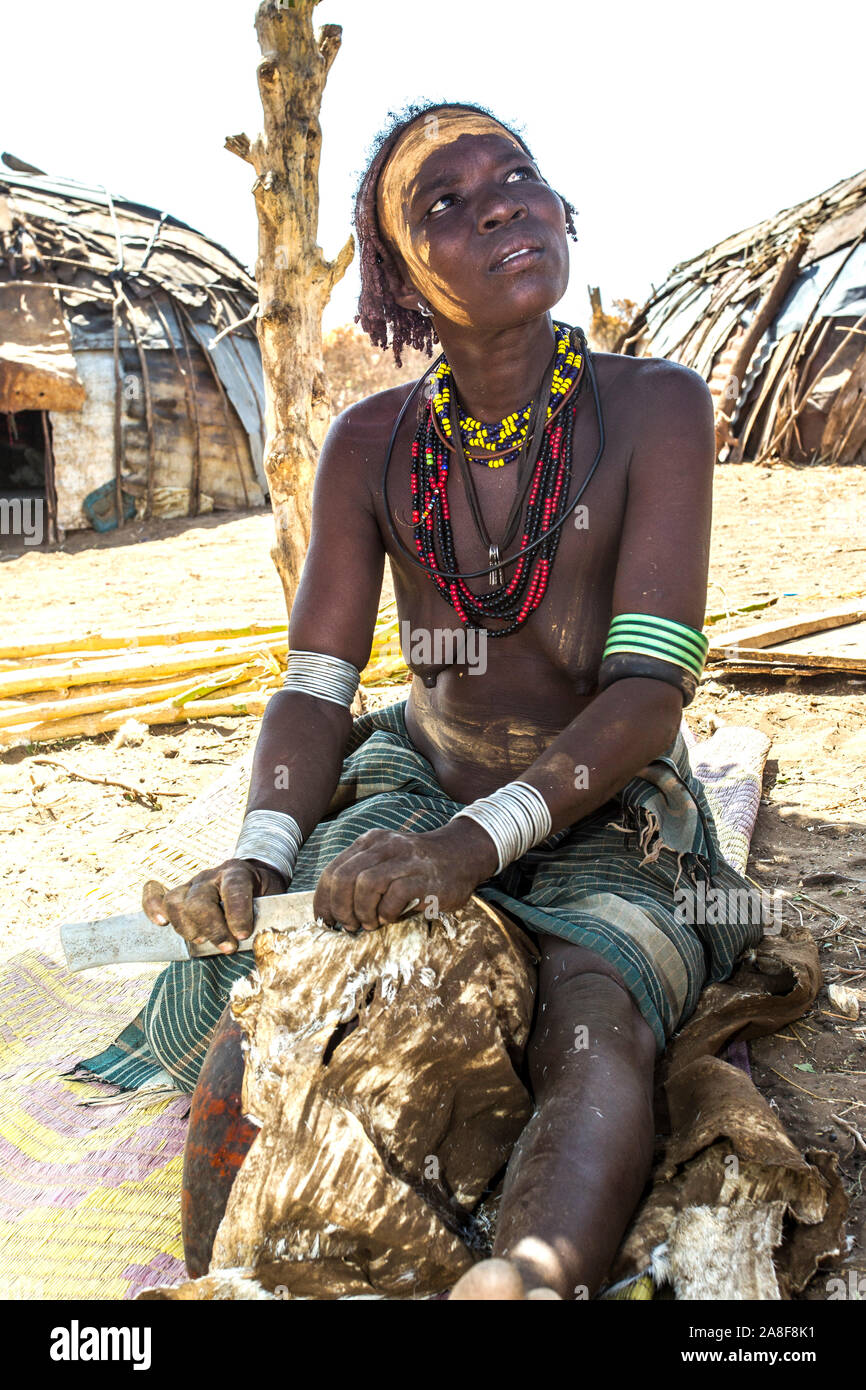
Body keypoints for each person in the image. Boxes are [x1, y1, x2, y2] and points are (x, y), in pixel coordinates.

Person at [80, 101, 763, 1300]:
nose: (500, 203)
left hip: (605, 795)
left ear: (557, 208)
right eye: (444, 203)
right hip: (421, 774)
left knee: (595, 1012)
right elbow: (315, 685)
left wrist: (471, 846)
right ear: (398, 275)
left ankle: (522, 1278)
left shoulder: (657, 408)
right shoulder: (368, 447)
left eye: (518, 176)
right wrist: (264, 847)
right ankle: (238, 1273)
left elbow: (650, 689)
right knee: (286, 990)